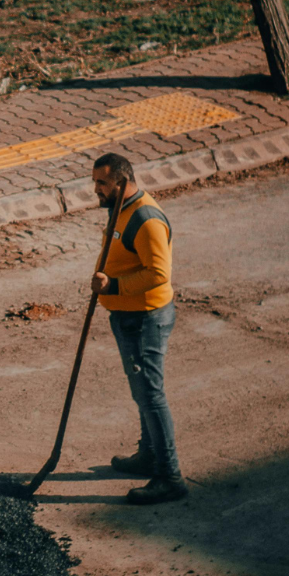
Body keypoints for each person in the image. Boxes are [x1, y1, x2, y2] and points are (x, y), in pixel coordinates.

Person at [90, 153, 186, 505]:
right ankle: (149, 455)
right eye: (95, 182)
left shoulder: (145, 219)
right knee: (142, 392)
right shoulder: (120, 209)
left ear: (122, 182)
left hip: (145, 319)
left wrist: (113, 285)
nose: (96, 190)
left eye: (102, 183)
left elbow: (159, 273)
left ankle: (170, 477)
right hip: (127, 316)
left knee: (150, 395)